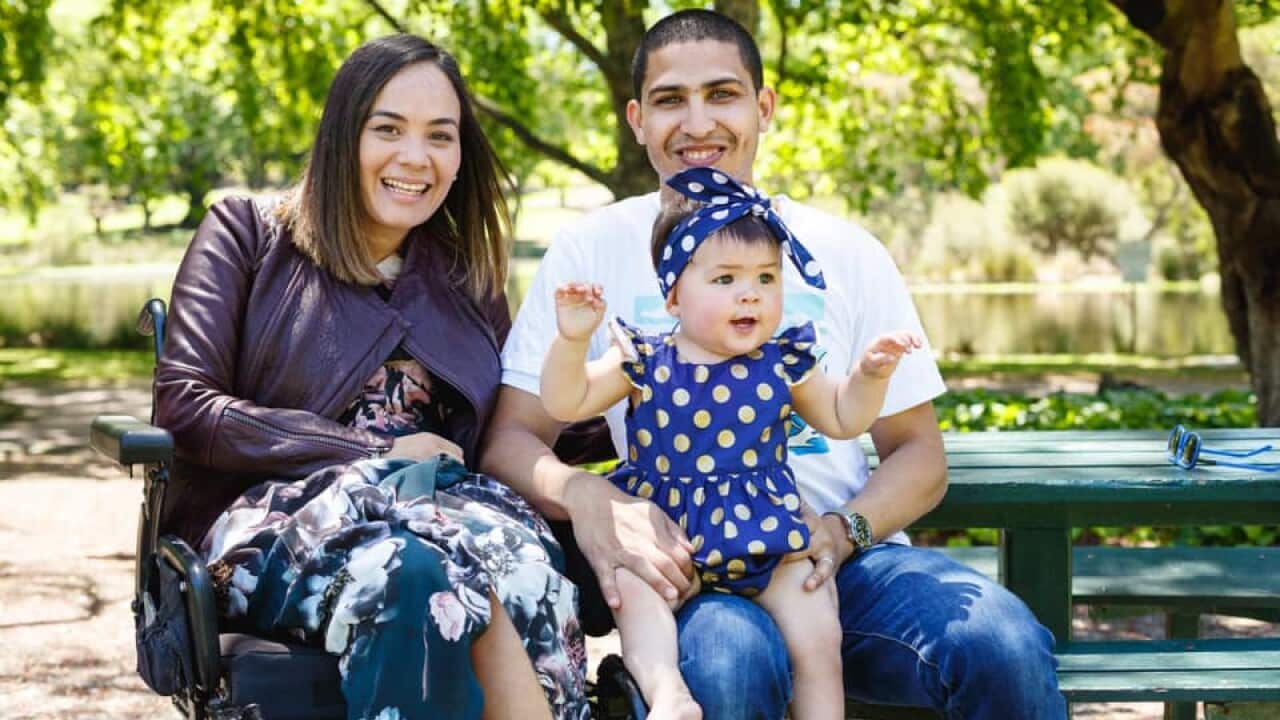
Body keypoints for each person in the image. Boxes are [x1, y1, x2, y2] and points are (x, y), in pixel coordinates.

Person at [481, 9, 1066, 719]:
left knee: (1001, 642)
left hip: (833, 561)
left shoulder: (844, 251)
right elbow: (511, 439)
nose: (697, 122)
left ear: (763, 107)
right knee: (729, 661)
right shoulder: (591, 249)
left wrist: (842, 533)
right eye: (670, 100)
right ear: (637, 119)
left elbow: (919, 455)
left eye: (722, 94)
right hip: (695, 563)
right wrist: (588, 497)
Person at [154, 34, 588, 720]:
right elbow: (186, 406)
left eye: (440, 136)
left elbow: (518, 418)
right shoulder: (247, 235)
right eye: (388, 129)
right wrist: (375, 453)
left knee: (529, 571)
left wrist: (648, 387)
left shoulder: (466, 275)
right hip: (276, 517)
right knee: (411, 573)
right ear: (342, 136)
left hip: (453, 513)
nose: (415, 157)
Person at [541, 166, 923, 720]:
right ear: (674, 296)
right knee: (636, 595)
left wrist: (869, 376)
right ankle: (666, 693)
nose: (750, 294)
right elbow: (566, 400)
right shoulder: (642, 358)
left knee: (818, 632)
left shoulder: (784, 361)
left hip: (766, 531)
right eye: (725, 280)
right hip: (670, 538)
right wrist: (572, 341)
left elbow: (844, 417)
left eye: (766, 278)